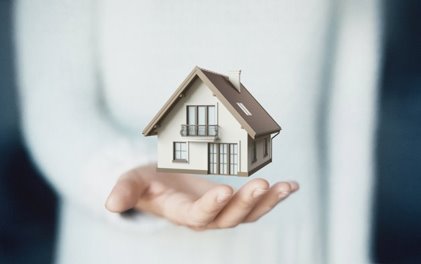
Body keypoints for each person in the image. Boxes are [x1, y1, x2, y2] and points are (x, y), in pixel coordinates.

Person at [14, 0, 381, 263]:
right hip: (118, 249)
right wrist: (121, 169)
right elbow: (54, 104)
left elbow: (349, 135)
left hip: (293, 245)